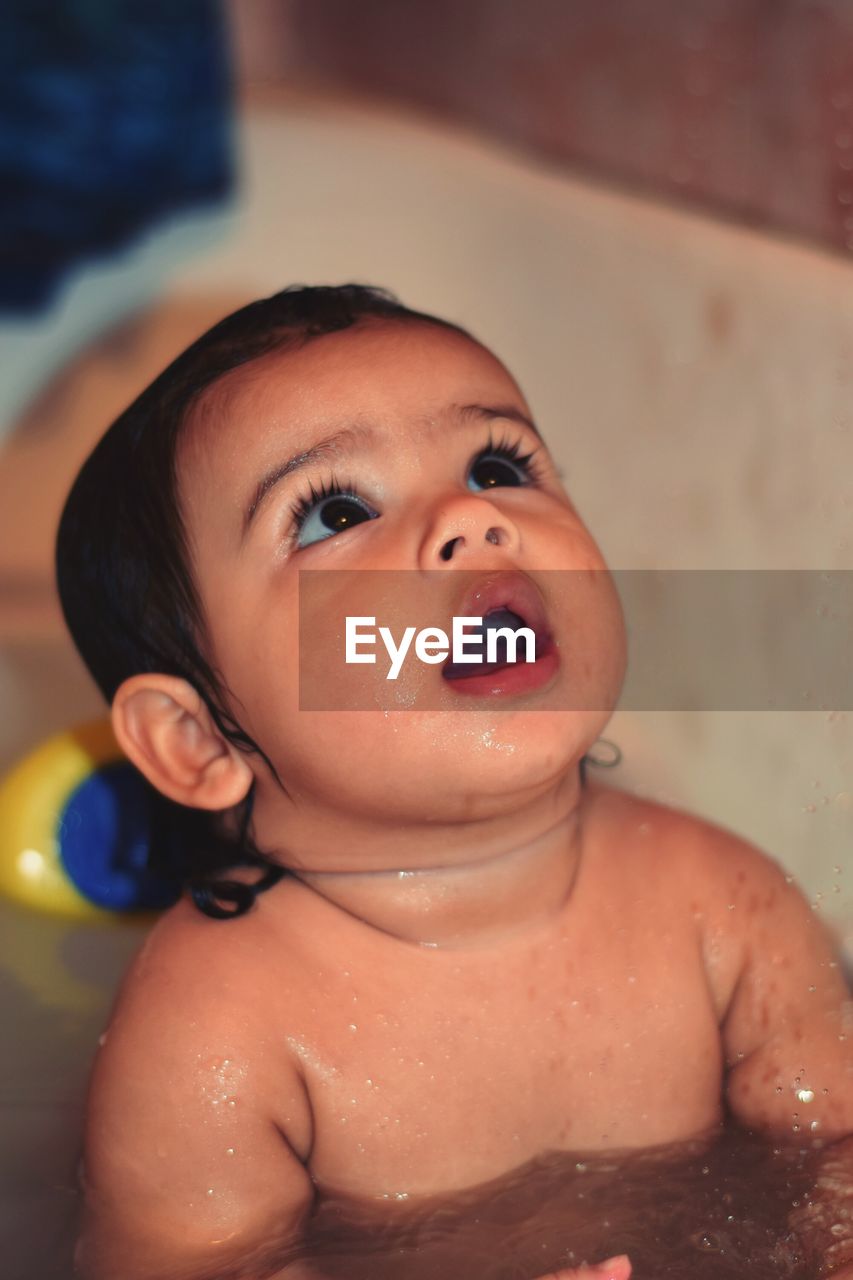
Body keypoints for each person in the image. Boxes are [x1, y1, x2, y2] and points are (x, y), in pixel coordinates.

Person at [56, 284, 852, 1280]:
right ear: (197, 740)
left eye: (498, 465)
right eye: (335, 510)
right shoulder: (215, 1027)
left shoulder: (722, 905)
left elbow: (835, 1158)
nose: (468, 519)